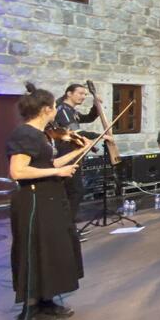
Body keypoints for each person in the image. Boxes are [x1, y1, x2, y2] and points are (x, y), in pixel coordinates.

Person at [7, 85, 91, 320]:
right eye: (54, 106)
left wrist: (79, 151)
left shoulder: (41, 135)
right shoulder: (24, 134)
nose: (56, 110)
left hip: (49, 199)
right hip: (33, 202)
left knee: (50, 250)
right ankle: (28, 314)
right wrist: (58, 171)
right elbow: (17, 171)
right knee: (35, 252)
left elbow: (49, 162)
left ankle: (46, 301)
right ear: (46, 109)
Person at [53, 83, 104, 229]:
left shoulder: (71, 111)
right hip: (65, 153)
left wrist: (96, 106)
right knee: (75, 191)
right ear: (69, 93)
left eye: (85, 94)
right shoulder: (62, 109)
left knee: (74, 191)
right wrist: (100, 135)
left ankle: (67, 226)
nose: (83, 96)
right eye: (80, 93)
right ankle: (66, 227)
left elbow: (88, 118)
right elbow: (76, 132)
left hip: (72, 153)